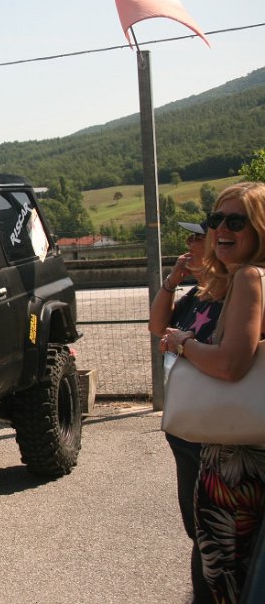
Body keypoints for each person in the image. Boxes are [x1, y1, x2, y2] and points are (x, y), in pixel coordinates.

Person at [158, 182, 265, 604]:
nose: (220, 229)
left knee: (227, 577)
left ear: (259, 228)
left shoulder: (250, 277)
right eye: (216, 219)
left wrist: (184, 343)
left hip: (237, 460)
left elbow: (230, 364)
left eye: (236, 221)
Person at [149, 219, 222, 603]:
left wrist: (183, 343)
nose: (188, 243)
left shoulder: (239, 294)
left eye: (197, 237)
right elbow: (156, 324)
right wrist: (172, 281)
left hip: (218, 427)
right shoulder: (196, 295)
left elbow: (231, 361)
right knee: (197, 529)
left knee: (215, 532)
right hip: (185, 430)